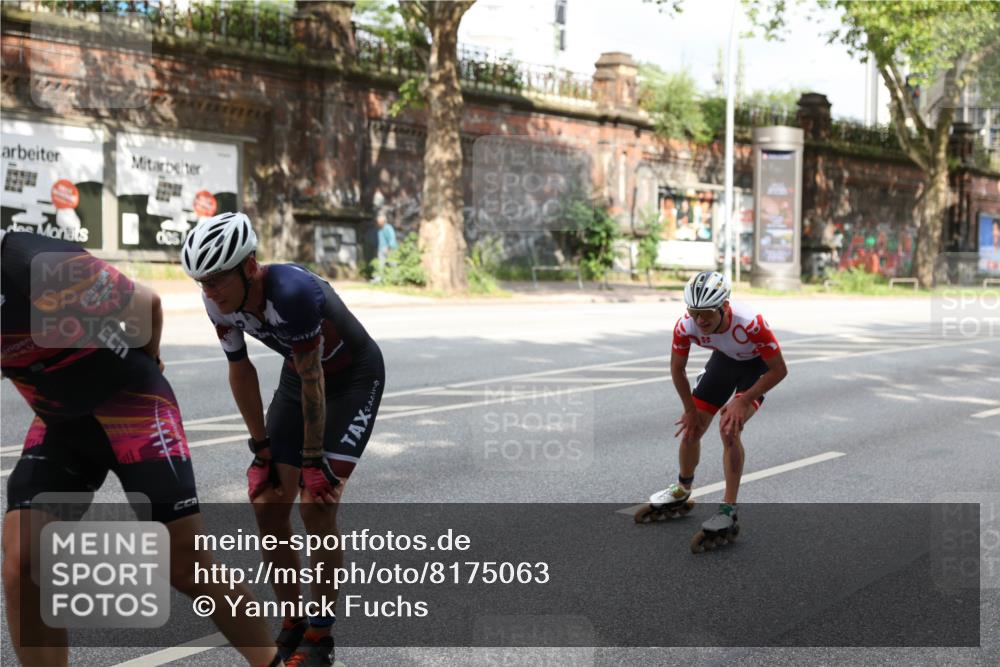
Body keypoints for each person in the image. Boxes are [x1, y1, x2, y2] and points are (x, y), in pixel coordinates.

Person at [0, 230, 283, 667]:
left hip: (133, 408)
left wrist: (147, 367)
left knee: (187, 568)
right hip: (62, 425)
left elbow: (146, 305)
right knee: (23, 561)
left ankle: (271, 661)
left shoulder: (34, 262)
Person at [181, 212, 385, 667]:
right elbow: (241, 368)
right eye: (200, 282)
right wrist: (261, 448)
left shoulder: (291, 292)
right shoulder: (217, 302)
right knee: (268, 500)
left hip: (352, 378)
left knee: (317, 503)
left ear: (249, 267)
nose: (208, 292)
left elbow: (317, 380)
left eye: (215, 280)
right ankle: (293, 621)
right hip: (301, 377)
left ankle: (321, 634)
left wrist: (314, 460)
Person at [637, 271, 788, 545]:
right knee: (692, 430)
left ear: (725, 308)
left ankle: (728, 510)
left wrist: (743, 400)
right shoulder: (686, 326)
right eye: (694, 312)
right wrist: (690, 410)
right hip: (725, 363)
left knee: (729, 430)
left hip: (757, 369)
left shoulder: (751, 324)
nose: (700, 320)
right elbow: (677, 368)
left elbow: (780, 370)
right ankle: (682, 489)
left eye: (706, 313)